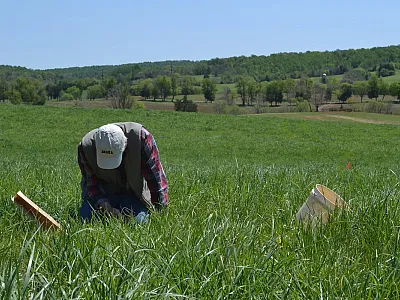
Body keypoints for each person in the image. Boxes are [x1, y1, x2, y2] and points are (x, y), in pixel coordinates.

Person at [78, 122, 168, 222]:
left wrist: (161, 214)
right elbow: (91, 185)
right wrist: (106, 206)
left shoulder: (141, 138)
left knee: (140, 222)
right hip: (103, 195)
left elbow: (156, 179)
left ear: (125, 144)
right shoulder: (85, 147)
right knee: (85, 218)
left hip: (134, 194)